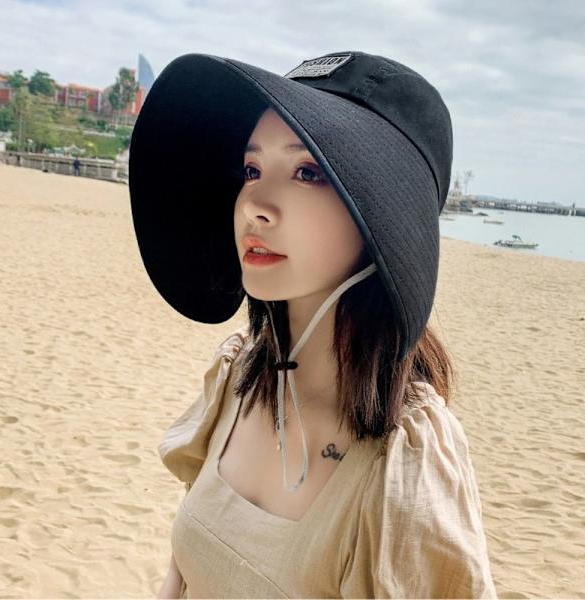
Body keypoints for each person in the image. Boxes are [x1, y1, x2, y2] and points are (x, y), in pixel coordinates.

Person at [129, 51, 498, 598]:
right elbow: (181, 572)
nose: (255, 205)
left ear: (381, 217)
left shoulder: (404, 461)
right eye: (252, 170)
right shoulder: (239, 378)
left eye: (307, 172)